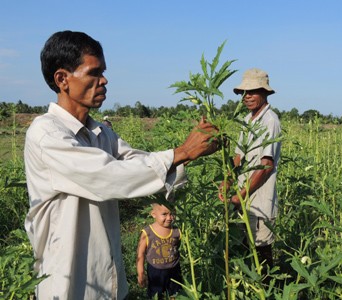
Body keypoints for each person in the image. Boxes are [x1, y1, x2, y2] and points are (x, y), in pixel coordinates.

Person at [24, 30, 219, 299]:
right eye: (94, 72)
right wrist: (182, 152)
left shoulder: (102, 134)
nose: (104, 80)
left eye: (103, 72)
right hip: (68, 284)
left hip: (107, 279)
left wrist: (190, 153)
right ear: (62, 79)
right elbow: (108, 176)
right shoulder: (46, 134)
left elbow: (138, 164)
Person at [219, 68, 281, 279]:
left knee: (262, 252)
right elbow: (238, 157)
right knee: (245, 246)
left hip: (259, 199)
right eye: (244, 93)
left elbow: (266, 166)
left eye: (252, 91)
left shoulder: (270, 121)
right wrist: (227, 181)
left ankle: (268, 290)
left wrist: (241, 194)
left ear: (264, 93)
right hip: (243, 196)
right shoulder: (247, 120)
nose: (247, 97)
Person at [136, 203, 182, 299]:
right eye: (164, 214)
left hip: (174, 269)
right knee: (156, 295)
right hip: (156, 271)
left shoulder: (176, 231)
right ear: (153, 214)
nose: (169, 217)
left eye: (172, 213)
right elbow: (140, 253)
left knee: (176, 293)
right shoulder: (148, 232)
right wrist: (141, 273)